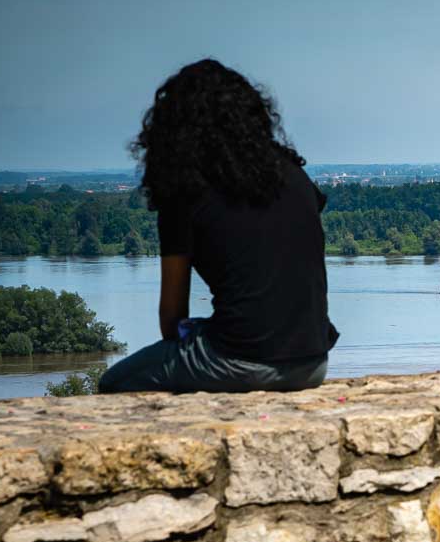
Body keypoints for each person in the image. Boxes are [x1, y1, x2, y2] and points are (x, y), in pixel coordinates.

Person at [99, 59, 338, 393]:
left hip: (240, 362)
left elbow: (171, 320)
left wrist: (198, 333)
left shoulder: (185, 192)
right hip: (314, 362)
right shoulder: (295, 176)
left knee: (113, 381)